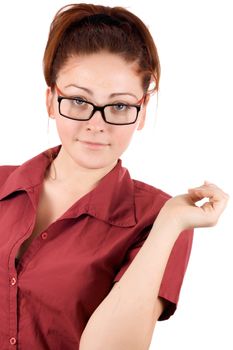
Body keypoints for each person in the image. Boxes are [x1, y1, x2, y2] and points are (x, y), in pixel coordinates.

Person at [0, 3, 228, 350]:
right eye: (78, 100)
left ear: (141, 113)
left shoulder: (159, 220)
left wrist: (170, 223)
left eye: (119, 106)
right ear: (50, 101)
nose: (96, 124)